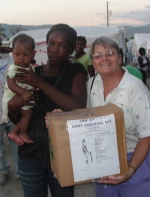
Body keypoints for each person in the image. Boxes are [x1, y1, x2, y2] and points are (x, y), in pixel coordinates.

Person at [8, 24, 87, 197]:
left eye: (62, 45)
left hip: (63, 154)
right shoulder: (32, 73)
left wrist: (40, 84)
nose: (54, 49)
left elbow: (79, 107)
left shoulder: (76, 71)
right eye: (51, 43)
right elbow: (18, 118)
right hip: (30, 155)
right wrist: (12, 106)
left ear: (71, 48)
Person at [87, 36, 150, 197]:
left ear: (120, 57)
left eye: (110, 53)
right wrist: (62, 117)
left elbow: (147, 135)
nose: (104, 59)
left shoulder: (134, 88)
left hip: (135, 157)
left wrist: (131, 169)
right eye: (98, 55)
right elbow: (88, 118)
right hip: (103, 158)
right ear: (93, 61)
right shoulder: (92, 84)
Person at [2, 34, 35, 146]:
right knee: (28, 114)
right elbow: (11, 84)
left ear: (32, 54)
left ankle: (14, 132)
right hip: (13, 97)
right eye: (17, 54)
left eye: (25, 54)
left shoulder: (30, 68)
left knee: (27, 115)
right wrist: (23, 92)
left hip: (23, 98)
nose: (21, 57)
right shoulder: (12, 68)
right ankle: (22, 132)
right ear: (12, 53)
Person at [0, 45, 19, 186]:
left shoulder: (9, 58)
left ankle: (20, 172)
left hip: (12, 108)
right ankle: (4, 171)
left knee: (16, 143)